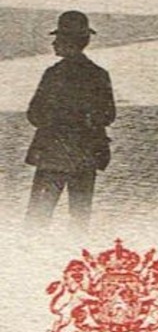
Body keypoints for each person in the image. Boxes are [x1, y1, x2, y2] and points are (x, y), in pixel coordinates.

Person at [25, 11, 115, 226]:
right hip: (86, 154)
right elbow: (108, 115)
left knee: (38, 217)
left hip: (53, 154)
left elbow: (34, 114)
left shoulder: (53, 74)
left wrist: (56, 121)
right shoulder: (99, 74)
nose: (54, 44)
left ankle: (32, 257)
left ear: (67, 43)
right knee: (80, 219)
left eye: (58, 39)